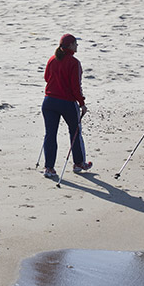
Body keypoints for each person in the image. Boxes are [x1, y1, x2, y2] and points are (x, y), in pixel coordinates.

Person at [41, 33, 92, 179]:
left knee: (50, 134)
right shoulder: (74, 62)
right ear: (70, 45)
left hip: (49, 101)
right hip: (67, 102)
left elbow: (46, 78)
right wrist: (82, 103)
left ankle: (49, 167)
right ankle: (79, 163)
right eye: (75, 44)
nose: (77, 46)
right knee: (75, 132)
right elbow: (76, 87)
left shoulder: (52, 59)